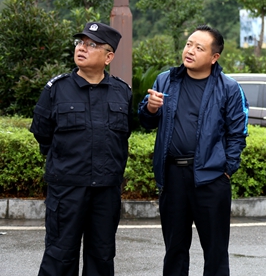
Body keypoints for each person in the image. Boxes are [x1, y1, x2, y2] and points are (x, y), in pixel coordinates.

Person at [138, 25, 248, 276]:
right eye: (189, 44)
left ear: (214, 57)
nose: (190, 51)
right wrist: (151, 109)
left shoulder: (228, 87)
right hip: (173, 176)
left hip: (211, 179)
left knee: (215, 250)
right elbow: (146, 121)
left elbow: (237, 134)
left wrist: (226, 170)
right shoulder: (166, 79)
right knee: (174, 249)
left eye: (199, 48)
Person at [30, 22, 132, 276]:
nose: (82, 48)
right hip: (66, 189)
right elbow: (43, 134)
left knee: (102, 256)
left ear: (109, 57)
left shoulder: (122, 92)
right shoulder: (57, 89)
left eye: (92, 44)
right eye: (80, 43)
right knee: (59, 255)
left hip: (106, 192)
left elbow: (123, 136)